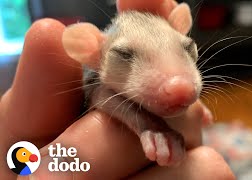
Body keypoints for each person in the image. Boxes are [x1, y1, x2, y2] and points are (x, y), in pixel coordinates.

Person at [0, 0, 235, 179]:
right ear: (90, 50)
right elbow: (101, 95)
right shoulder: (99, 85)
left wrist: (195, 106)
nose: (180, 86)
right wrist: (148, 127)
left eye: (186, 48)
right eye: (125, 55)